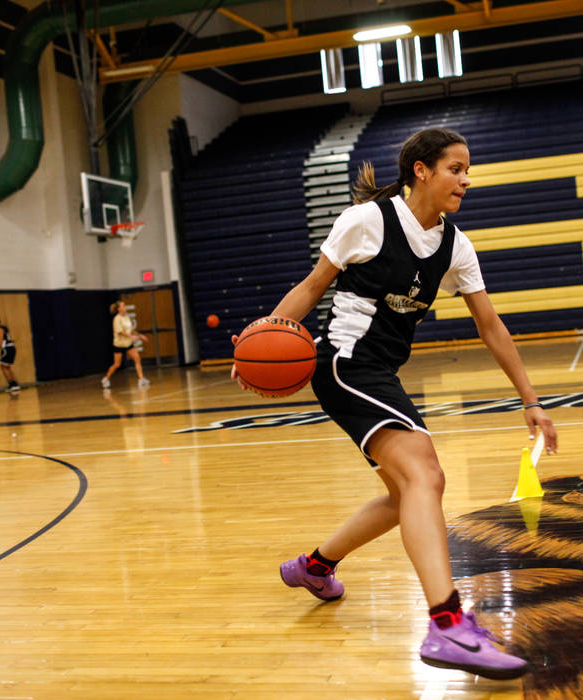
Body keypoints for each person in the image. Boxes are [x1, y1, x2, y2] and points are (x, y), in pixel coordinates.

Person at [231, 128, 558, 679]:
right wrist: (259, 342)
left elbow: (489, 323)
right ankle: (449, 626)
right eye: (456, 168)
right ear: (422, 171)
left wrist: (531, 400)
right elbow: (312, 287)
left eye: (468, 169)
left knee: (403, 491)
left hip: (380, 371)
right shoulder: (367, 222)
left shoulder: (456, 244)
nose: (466, 179)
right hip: (342, 363)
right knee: (426, 477)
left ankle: (315, 567)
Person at [102, 300, 149, 388]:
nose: (125, 307)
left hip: (128, 345)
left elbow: (130, 330)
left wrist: (139, 335)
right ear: (119, 309)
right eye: (123, 306)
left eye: (125, 305)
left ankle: (141, 379)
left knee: (137, 358)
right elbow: (120, 332)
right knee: (117, 364)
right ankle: (106, 378)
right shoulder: (117, 319)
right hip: (119, 345)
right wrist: (131, 337)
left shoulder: (127, 317)